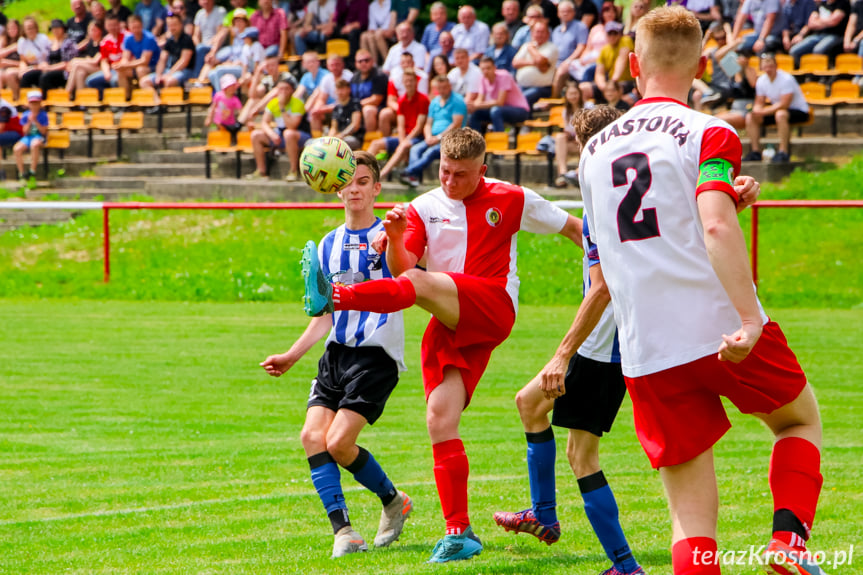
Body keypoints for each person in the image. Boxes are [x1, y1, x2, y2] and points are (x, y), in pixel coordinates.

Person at [578, 7, 826, 575]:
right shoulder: (708, 130)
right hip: (719, 323)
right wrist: (750, 318)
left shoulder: (593, 151)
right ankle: (787, 543)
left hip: (647, 345)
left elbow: (617, 245)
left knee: (690, 516)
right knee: (798, 420)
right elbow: (713, 224)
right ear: (704, 64)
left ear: (634, 65)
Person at [301, 126, 584, 563]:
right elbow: (403, 268)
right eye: (445, 172)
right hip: (450, 319)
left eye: (462, 175)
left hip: (492, 305)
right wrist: (395, 238)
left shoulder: (512, 198)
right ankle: (460, 532)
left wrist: (610, 264)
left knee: (417, 283)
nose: (450, 182)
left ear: (483, 170)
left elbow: (574, 228)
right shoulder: (422, 207)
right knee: (439, 419)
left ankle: (334, 295)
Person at [261, 150, 413, 559]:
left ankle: (393, 500)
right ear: (335, 187)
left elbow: (407, 283)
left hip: (376, 356)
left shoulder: (390, 236)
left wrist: (395, 241)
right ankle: (344, 532)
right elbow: (326, 315)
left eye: (363, 181)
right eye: (348, 181)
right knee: (312, 436)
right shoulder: (328, 244)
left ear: (377, 188)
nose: (355, 188)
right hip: (336, 355)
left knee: (340, 443)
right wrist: (292, 355)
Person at [398, 75, 464, 188]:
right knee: (415, 149)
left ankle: (408, 172)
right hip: (433, 137)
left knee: (431, 152)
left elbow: (456, 124)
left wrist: (438, 138)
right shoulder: (434, 102)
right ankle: (414, 178)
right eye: (440, 88)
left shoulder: (458, 101)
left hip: (452, 139)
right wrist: (428, 136)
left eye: (445, 87)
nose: (442, 91)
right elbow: (428, 123)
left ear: (449, 87)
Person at [743, 53, 810, 163]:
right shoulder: (761, 81)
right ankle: (755, 151)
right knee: (751, 117)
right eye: (766, 66)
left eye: (771, 66)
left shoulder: (786, 79)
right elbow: (759, 101)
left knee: (781, 114)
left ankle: (783, 151)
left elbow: (784, 104)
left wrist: (764, 111)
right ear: (762, 67)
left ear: (776, 66)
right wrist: (757, 110)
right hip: (776, 110)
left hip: (798, 111)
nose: (768, 69)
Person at [247, 73, 311, 181]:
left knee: (289, 134)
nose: (283, 92)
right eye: (281, 89)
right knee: (256, 135)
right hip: (281, 134)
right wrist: (271, 134)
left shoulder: (297, 103)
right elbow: (264, 122)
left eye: (286, 89)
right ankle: (261, 171)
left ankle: (293, 171)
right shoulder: (272, 103)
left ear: (292, 90)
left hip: (300, 135)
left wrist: (282, 108)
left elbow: (292, 126)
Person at [371, 70, 428, 179]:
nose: (409, 83)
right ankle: (359, 171)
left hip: (417, 138)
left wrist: (405, 141)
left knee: (403, 146)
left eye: (411, 81)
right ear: (403, 82)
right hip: (404, 137)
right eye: (406, 81)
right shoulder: (401, 100)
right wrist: (403, 140)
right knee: (375, 144)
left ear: (416, 82)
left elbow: (419, 127)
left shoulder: (423, 100)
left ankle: (381, 175)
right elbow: (400, 125)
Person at [467, 56, 530, 134]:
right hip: (499, 110)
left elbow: (500, 102)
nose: (485, 71)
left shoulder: (504, 76)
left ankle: (499, 141)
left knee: (496, 110)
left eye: (488, 68)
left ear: (494, 68)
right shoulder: (483, 79)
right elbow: (479, 101)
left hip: (520, 111)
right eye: (483, 69)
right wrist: (470, 106)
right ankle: (476, 142)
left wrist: (476, 105)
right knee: (476, 113)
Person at [20, 19, 78, 96]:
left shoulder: (68, 43)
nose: (55, 30)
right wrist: (43, 65)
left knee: (45, 77)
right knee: (28, 76)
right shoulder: (51, 44)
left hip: (63, 72)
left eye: (57, 28)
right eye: (53, 28)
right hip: (49, 69)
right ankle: (26, 101)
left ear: (63, 29)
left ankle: (44, 101)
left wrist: (49, 68)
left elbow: (67, 63)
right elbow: (46, 59)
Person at [140, 11, 194, 90]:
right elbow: (162, 60)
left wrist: (169, 74)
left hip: (184, 72)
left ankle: (166, 101)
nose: (172, 28)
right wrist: (158, 75)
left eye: (174, 25)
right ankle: (156, 101)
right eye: (170, 25)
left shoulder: (187, 40)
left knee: (169, 81)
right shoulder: (169, 41)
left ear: (181, 25)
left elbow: (184, 61)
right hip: (168, 71)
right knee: (143, 82)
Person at [512, 21, 558, 109]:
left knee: (522, 98)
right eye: (537, 32)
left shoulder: (551, 47)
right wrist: (534, 62)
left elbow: (541, 61)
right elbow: (515, 63)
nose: (539, 35)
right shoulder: (525, 46)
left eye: (542, 32)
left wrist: (531, 49)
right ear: (532, 33)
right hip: (522, 86)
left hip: (542, 88)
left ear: (548, 34)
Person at [788, 0, 849, 66]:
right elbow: (811, 23)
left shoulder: (842, 3)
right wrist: (828, 20)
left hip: (835, 35)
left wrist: (819, 20)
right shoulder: (821, 4)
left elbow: (833, 21)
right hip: (817, 35)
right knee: (794, 51)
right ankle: (806, 72)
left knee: (818, 49)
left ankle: (825, 73)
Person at [116, 15, 160, 99]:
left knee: (141, 69)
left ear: (142, 25)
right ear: (129, 27)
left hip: (153, 66)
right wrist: (121, 65)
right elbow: (126, 57)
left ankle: (146, 97)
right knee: (121, 71)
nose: (136, 30)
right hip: (137, 65)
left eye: (138, 27)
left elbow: (145, 61)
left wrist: (126, 65)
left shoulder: (149, 38)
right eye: (133, 27)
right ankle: (126, 99)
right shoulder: (128, 38)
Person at [552, 0, 589, 98]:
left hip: (574, 63)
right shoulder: (556, 30)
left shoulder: (580, 27)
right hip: (555, 62)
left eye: (568, 11)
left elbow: (581, 47)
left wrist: (568, 61)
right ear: (558, 13)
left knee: (560, 71)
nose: (565, 13)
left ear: (574, 12)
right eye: (562, 11)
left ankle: (553, 101)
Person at [552, 80, 585, 188]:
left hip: (585, 143)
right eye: (570, 94)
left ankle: (580, 172)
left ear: (580, 94)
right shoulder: (566, 112)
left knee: (581, 138)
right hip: (574, 143)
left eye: (575, 93)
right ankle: (563, 173)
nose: (573, 96)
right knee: (560, 137)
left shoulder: (588, 107)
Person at [349, 49, 388, 133]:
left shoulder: (379, 75)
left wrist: (357, 105)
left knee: (368, 110)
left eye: (366, 60)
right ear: (356, 64)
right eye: (360, 61)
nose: (363, 63)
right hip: (358, 108)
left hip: (378, 108)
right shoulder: (354, 78)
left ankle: (369, 138)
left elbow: (376, 99)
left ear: (372, 61)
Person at [85, 13, 125, 94]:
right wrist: (107, 72)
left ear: (119, 25)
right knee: (90, 81)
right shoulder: (105, 42)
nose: (112, 28)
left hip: (123, 69)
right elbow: (104, 61)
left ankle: (117, 103)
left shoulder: (126, 38)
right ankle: (105, 100)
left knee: (114, 80)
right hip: (111, 70)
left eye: (114, 25)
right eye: (110, 25)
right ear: (106, 26)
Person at [13, 91, 48, 181]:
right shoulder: (25, 115)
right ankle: (22, 173)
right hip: (28, 137)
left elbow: (43, 132)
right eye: (32, 103)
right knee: (17, 149)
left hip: (39, 137)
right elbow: (24, 132)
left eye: (36, 103)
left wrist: (35, 121)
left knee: (34, 145)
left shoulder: (43, 115)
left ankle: (32, 171)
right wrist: (29, 121)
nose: (34, 106)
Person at [65, 20, 105, 94]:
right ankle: (81, 98)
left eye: (94, 30)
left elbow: (95, 61)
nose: (91, 32)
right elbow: (86, 56)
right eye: (90, 30)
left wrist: (76, 61)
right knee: (80, 73)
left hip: (100, 69)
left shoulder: (103, 43)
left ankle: (67, 91)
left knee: (77, 65)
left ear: (100, 31)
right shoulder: (90, 43)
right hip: (90, 67)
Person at [192, 0, 227, 77]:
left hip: (216, 45)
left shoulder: (219, 11)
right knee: (199, 49)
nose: (206, 1)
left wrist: (209, 44)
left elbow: (220, 33)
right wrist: (199, 45)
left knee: (201, 49)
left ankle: (196, 77)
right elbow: (195, 35)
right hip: (202, 46)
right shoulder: (199, 14)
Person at [205, 72, 243, 141]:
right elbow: (213, 107)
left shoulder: (235, 99)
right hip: (219, 122)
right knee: (219, 129)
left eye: (233, 87)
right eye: (230, 87)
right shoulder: (218, 96)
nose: (232, 89)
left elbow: (240, 111)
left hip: (230, 122)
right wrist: (209, 118)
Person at [329, 78, 364, 149]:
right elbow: (333, 127)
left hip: (353, 138)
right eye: (338, 89)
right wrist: (330, 138)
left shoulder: (355, 104)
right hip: (339, 138)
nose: (340, 92)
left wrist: (341, 135)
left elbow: (355, 125)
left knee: (338, 144)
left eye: (342, 89)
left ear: (349, 90)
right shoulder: (336, 108)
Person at [360, 0, 395, 66]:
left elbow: (390, 21)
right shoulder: (373, 5)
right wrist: (372, 30)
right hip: (377, 31)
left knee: (377, 34)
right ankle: (371, 63)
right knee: (364, 36)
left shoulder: (391, 3)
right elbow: (372, 24)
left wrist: (379, 30)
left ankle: (387, 62)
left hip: (388, 30)